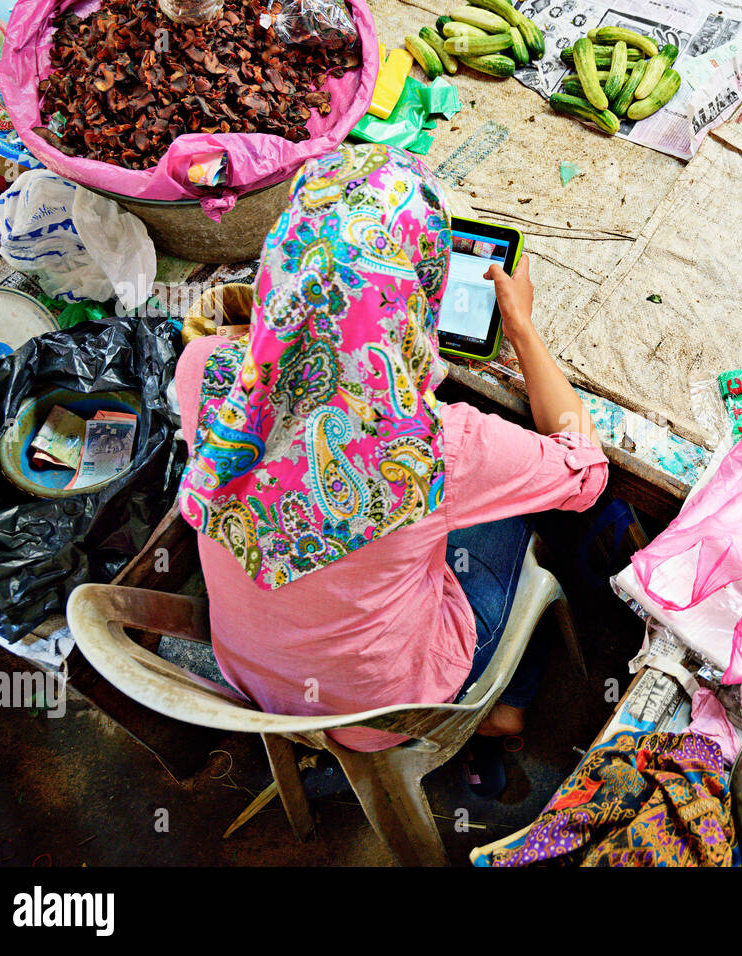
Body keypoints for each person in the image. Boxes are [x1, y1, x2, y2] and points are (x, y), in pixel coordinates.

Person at [175, 144, 608, 795]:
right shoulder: (438, 443)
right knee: (519, 502)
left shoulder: (204, 369)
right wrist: (520, 328)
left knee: (423, 523)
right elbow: (586, 469)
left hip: (248, 675)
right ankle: (507, 704)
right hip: (383, 710)